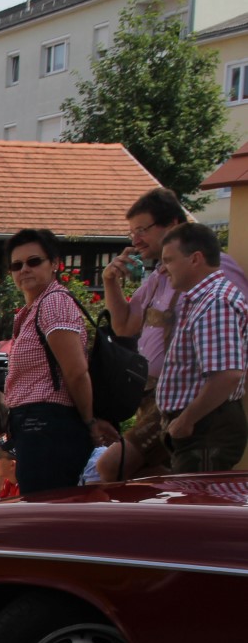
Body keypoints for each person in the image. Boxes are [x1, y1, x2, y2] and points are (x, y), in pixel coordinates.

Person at [98, 188, 248, 481]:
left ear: (174, 225)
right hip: (163, 401)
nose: (135, 240)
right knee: (160, 481)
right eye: (131, 232)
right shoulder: (162, 275)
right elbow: (124, 327)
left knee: (114, 466)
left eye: (142, 230)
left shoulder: (215, 280)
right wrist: (110, 282)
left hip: (197, 408)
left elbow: (229, 366)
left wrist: (187, 418)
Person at [0, 228, 120, 494]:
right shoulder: (31, 309)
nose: (24, 270)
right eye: (16, 265)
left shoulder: (54, 302)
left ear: (54, 263)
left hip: (50, 425)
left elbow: (76, 372)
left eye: (34, 261)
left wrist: (90, 422)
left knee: (44, 508)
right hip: (34, 423)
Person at [151, 223, 248, 472]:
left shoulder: (215, 302)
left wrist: (186, 420)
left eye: (169, 260)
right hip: (201, 426)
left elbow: (227, 374)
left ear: (195, 259)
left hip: (206, 427)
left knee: (195, 503)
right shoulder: (203, 299)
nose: (163, 269)